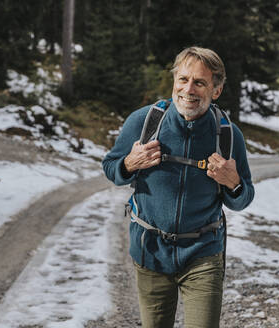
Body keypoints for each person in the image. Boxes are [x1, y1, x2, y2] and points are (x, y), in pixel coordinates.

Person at [102, 46, 254, 328]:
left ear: (216, 90)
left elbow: (244, 197)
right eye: (183, 79)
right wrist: (129, 164)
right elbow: (111, 168)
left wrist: (232, 183)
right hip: (151, 250)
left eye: (200, 82)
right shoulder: (144, 121)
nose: (188, 89)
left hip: (203, 254)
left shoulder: (228, 135)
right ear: (174, 82)